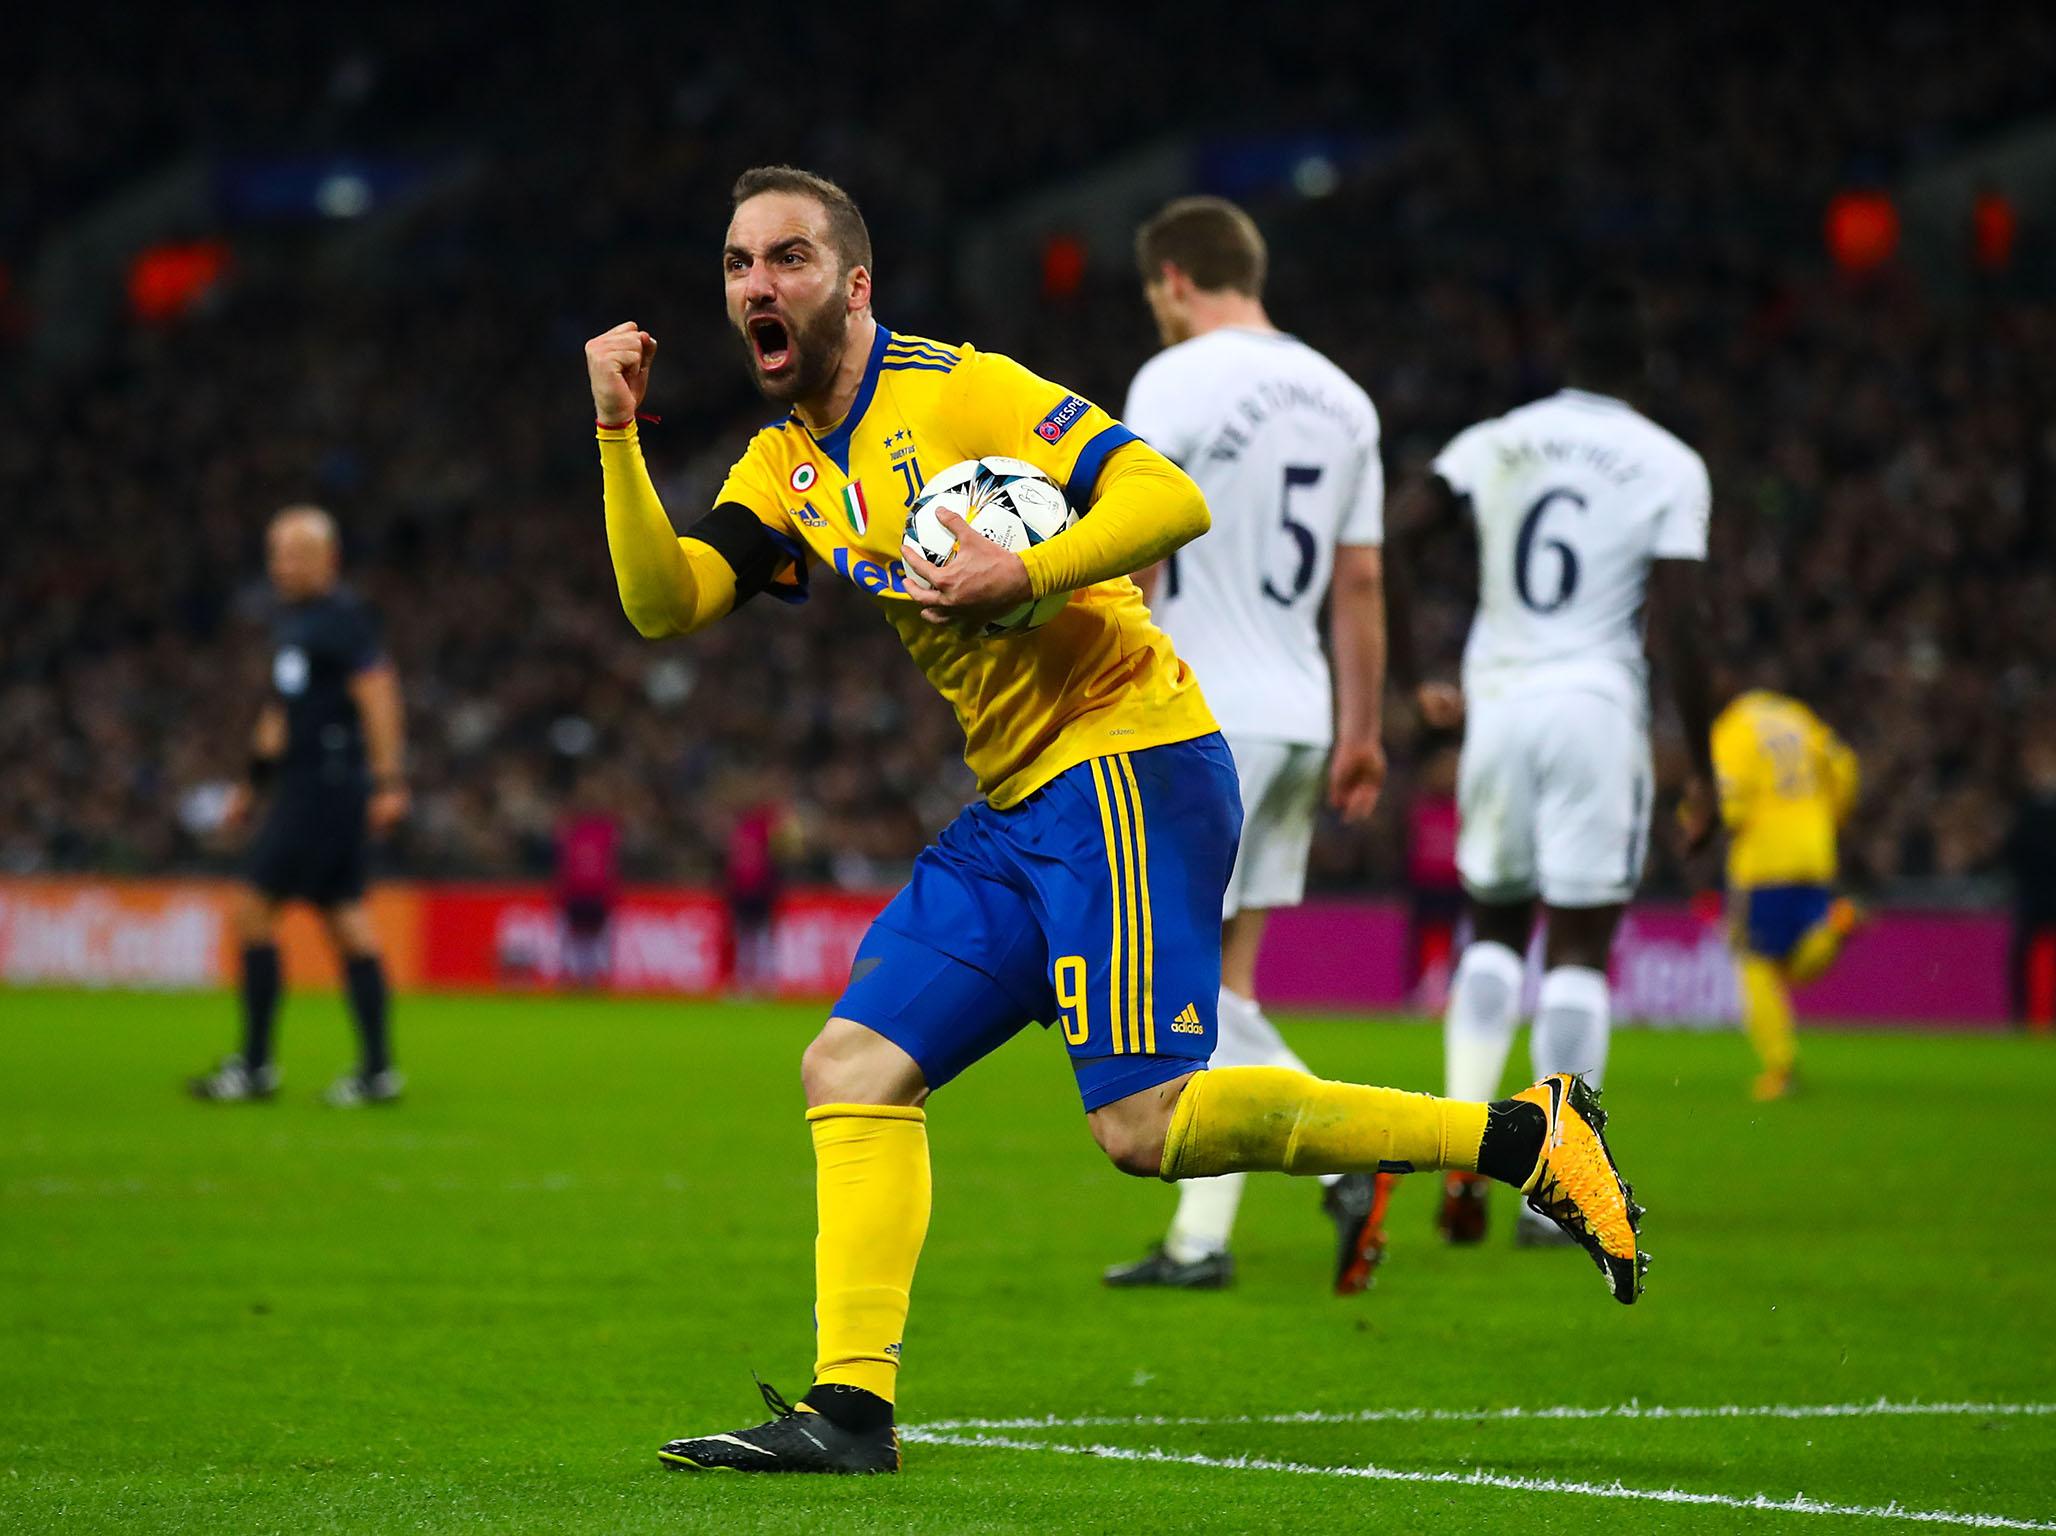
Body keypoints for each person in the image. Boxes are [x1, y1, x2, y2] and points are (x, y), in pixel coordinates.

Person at [590, 165, 1647, 1477]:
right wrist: (618, 435)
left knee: (1142, 1126)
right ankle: (850, 1415)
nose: (757, 284)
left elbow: (1164, 499)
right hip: (1016, 801)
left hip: (1129, 762)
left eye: (788, 259)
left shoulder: (963, 389)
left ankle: (1522, 1139)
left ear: (853, 287)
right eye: (740, 264)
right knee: (852, 1068)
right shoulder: (783, 465)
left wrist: (1020, 567)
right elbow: (664, 602)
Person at [1101, 196, 1394, 1296]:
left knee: (1182, 987)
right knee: (1221, 988)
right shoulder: (1345, 398)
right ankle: (1197, 1241)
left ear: (1173, 279)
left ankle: (1352, 1153)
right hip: (1305, 712)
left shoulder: (1170, 381)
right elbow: (1360, 580)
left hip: (1198, 714)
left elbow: (1143, 555)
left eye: (1153, 299)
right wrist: (1362, 730)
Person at [1387, 279, 1712, 1248]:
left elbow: (1398, 535)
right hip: (1595, 708)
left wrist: (1416, 680)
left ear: (1565, 366)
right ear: (1641, 374)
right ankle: (1551, 1187)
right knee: (1575, 948)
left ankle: (1462, 1144)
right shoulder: (1667, 463)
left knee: (1489, 930)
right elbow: (1685, 621)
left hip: (1499, 705)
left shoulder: (1498, 439)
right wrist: (1700, 757)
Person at [190, 506, 409, 1106]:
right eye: (275, 553)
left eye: (291, 554)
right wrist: (251, 786)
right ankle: (377, 1071)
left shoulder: (342, 619)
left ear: (326, 559)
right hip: (309, 787)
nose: (278, 565)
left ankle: (256, 1067)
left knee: (252, 912)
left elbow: (378, 691)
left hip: (325, 788)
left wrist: (390, 780)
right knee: (346, 921)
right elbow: (279, 718)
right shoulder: (297, 625)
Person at [1703, 684, 1861, 1098]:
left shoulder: (1733, 728)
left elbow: (1731, 805)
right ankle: (1834, 926)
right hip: (1815, 850)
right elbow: (1844, 766)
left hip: (1766, 859)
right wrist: (1830, 818)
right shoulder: (1797, 716)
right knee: (1793, 962)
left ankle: (1780, 1066)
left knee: (1754, 962)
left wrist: (1702, 825)